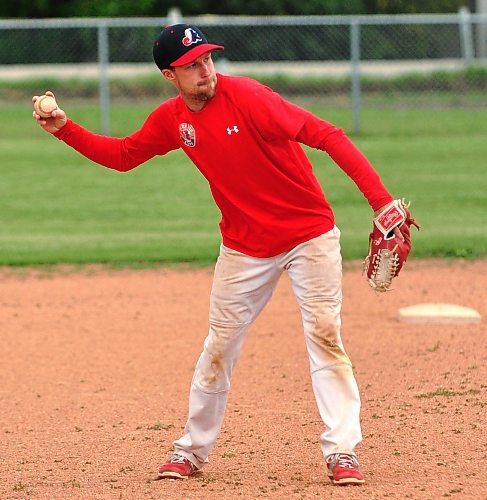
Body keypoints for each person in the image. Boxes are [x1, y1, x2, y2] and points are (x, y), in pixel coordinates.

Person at [33, 23, 399, 486]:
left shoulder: (250, 97)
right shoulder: (173, 120)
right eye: (192, 65)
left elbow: (325, 133)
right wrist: (64, 128)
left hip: (309, 235)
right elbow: (123, 155)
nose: (205, 70)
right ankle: (191, 449)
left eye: (207, 58)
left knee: (325, 334)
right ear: (170, 75)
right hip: (244, 248)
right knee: (219, 348)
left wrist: (380, 200)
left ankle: (342, 450)